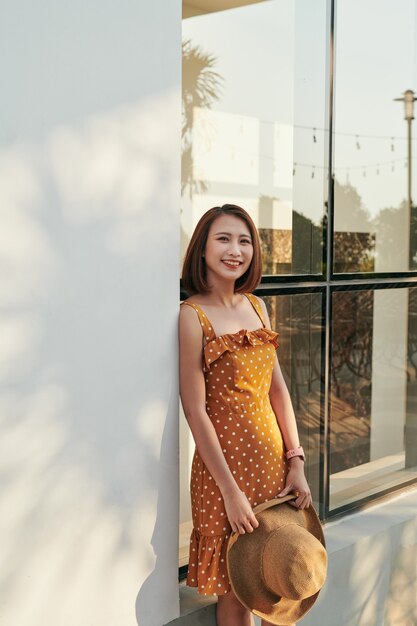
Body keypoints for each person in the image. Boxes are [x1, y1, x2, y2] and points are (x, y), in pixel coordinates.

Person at [179, 204, 311, 626]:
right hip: (225, 477)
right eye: (223, 239)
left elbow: (278, 391)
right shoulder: (190, 316)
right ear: (202, 249)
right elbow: (195, 411)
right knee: (236, 591)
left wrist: (297, 462)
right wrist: (230, 492)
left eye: (244, 240)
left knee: (273, 580)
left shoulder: (258, 306)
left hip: (272, 468)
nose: (235, 250)